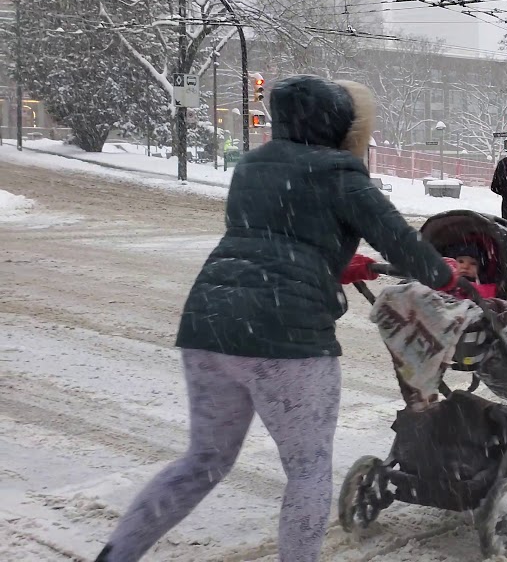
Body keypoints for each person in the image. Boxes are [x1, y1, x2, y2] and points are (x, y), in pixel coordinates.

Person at [95, 75, 457, 562]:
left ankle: (116, 554)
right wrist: (449, 276)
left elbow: (275, 234)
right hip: (287, 337)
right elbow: (406, 249)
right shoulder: (340, 173)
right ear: (338, 124)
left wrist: (333, 261)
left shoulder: (251, 165)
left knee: (203, 460)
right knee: (307, 470)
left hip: (210, 322)